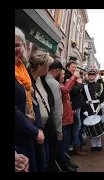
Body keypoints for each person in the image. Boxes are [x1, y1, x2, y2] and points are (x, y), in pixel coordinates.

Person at [15, 27, 45, 172]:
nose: (15, 49)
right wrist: (34, 131)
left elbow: (34, 100)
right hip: (18, 137)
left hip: (28, 134)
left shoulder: (22, 69)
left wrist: (38, 126)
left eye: (17, 45)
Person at [50, 60, 79, 172]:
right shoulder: (58, 85)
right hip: (63, 118)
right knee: (63, 143)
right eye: (62, 74)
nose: (63, 76)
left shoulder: (60, 84)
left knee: (66, 142)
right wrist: (74, 78)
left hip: (67, 116)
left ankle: (66, 161)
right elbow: (67, 89)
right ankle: (64, 164)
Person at [64, 61, 86, 156]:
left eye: (75, 67)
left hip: (78, 104)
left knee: (79, 125)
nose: (74, 69)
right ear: (67, 67)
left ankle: (78, 144)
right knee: (77, 126)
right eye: (72, 67)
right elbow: (74, 91)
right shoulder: (69, 77)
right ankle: (75, 146)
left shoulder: (73, 77)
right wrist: (80, 84)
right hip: (75, 105)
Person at [82, 68, 104, 151]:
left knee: (98, 125)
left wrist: (102, 103)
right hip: (89, 108)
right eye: (90, 75)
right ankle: (93, 145)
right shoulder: (84, 86)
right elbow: (83, 99)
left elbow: (102, 97)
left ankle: (99, 144)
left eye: (93, 75)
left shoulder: (99, 85)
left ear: (95, 76)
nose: (91, 76)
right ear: (88, 76)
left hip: (97, 107)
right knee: (91, 126)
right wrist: (84, 110)